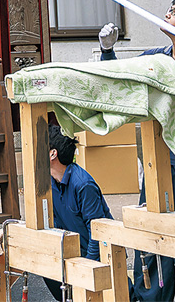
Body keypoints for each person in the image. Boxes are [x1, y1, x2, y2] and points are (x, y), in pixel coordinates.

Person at [99, 0, 175, 302]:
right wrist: (107, 51)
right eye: (167, 9)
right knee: (152, 239)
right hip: (157, 165)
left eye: (174, 13)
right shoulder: (156, 59)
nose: (166, 14)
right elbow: (121, 81)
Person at [42, 125, 113, 301]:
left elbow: (97, 232)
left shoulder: (83, 185)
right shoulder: (48, 181)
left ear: (52, 154)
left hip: (99, 254)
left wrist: (86, 269)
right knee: (45, 266)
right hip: (72, 250)